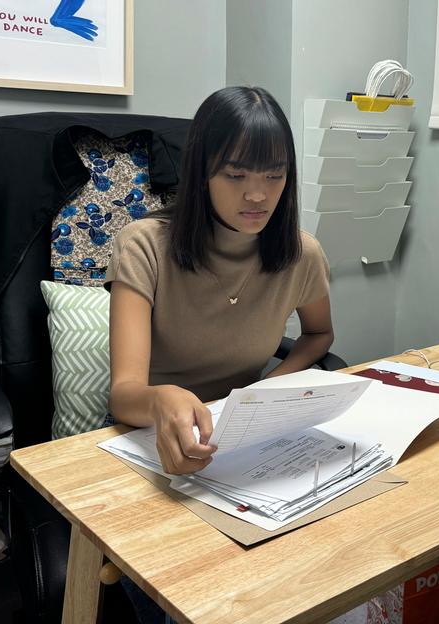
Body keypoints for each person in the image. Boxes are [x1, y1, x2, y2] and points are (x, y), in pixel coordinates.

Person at [106, 85, 334, 476]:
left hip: (243, 435)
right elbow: (123, 395)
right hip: (149, 436)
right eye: (236, 174)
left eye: (275, 175)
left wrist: (265, 389)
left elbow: (319, 335)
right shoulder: (143, 246)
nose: (258, 194)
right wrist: (162, 399)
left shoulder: (301, 254)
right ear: (202, 173)